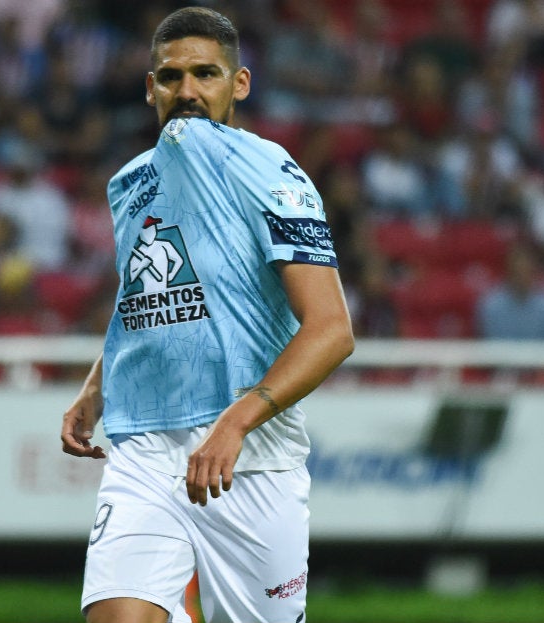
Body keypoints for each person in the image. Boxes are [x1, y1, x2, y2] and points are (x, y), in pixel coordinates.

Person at [60, 8, 354, 623]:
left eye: (205, 74)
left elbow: (331, 330)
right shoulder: (130, 182)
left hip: (249, 455)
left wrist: (236, 424)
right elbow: (145, 293)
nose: (187, 91)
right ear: (149, 88)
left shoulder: (269, 170)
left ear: (238, 84)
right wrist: (98, 385)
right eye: (170, 77)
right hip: (144, 444)